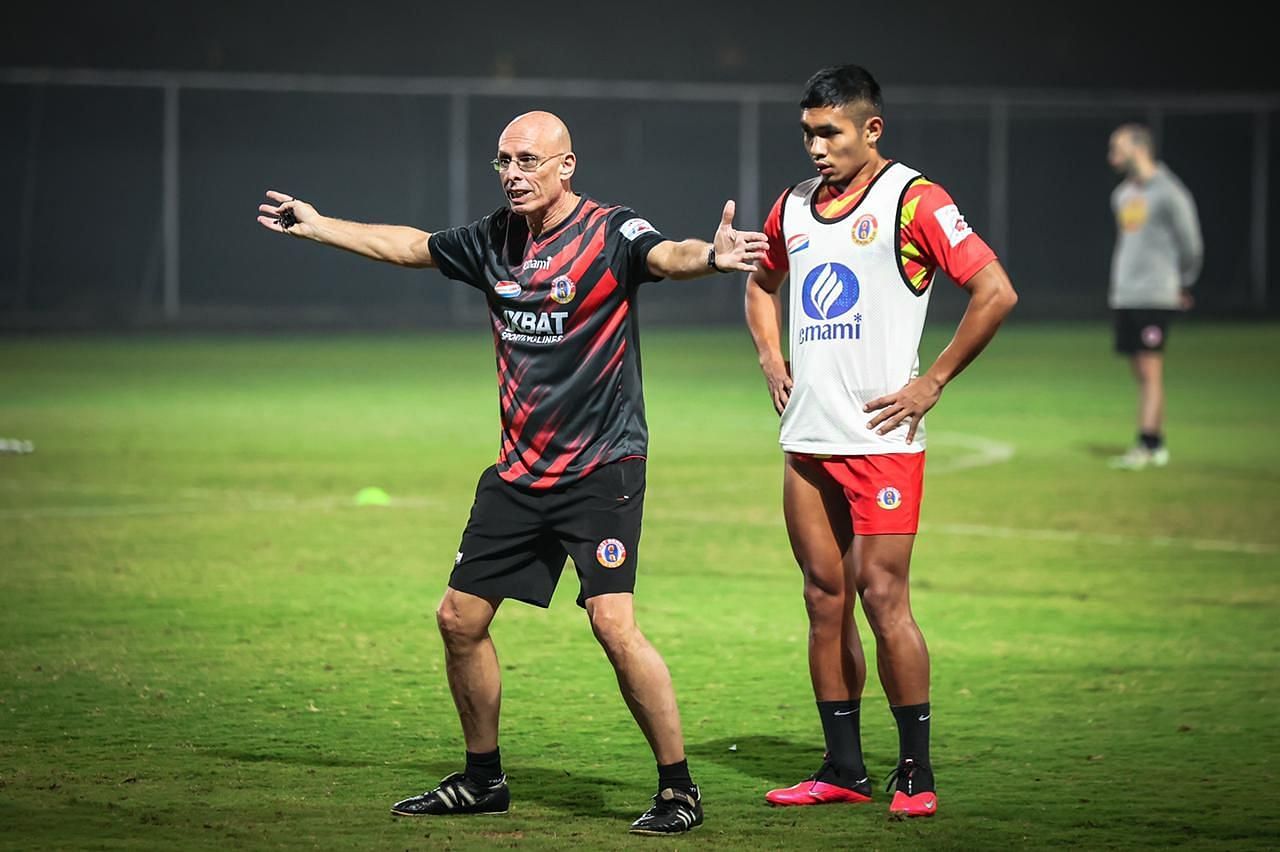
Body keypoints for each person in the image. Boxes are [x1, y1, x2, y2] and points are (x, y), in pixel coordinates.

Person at [257, 110, 768, 836]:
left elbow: (665, 254)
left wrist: (712, 258)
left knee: (613, 625)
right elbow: (409, 245)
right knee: (458, 620)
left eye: (528, 160)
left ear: (567, 166)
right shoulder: (495, 239)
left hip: (601, 469)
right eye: (503, 161)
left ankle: (678, 790)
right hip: (521, 473)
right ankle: (482, 780)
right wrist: (317, 225)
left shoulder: (609, 231)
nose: (512, 174)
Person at [743, 65, 1017, 819]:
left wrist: (933, 381)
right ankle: (842, 768)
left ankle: (916, 774)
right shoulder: (794, 206)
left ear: (872, 129)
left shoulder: (915, 200)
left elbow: (995, 292)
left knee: (883, 596)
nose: (816, 147)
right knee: (823, 599)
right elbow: (762, 281)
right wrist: (772, 357)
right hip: (808, 439)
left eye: (829, 132)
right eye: (807, 133)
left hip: (883, 442)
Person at [1106, 123, 1203, 470]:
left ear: (1139, 148)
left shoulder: (1169, 192)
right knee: (1140, 371)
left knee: (1150, 371)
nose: (1111, 156)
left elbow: (1191, 243)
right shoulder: (1122, 195)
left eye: (1117, 148)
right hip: (1126, 295)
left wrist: (1183, 282)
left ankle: (1148, 445)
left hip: (1155, 295)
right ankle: (1154, 441)